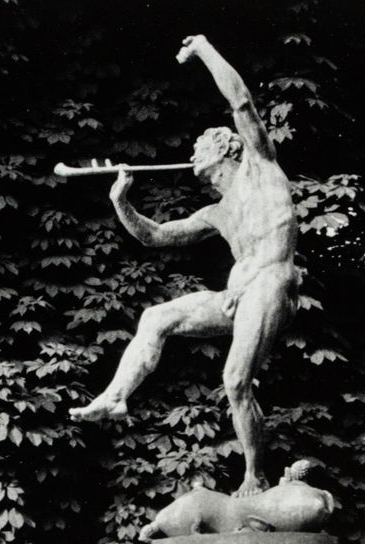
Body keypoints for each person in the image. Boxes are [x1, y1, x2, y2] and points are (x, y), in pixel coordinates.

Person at [70, 34, 298, 497]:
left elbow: (241, 102)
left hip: (273, 283)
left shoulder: (260, 165)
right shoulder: (215, 213)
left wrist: (205, 49)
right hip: (238, 295)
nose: (193, 154)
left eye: (200, 146)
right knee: (156, 316)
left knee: (235, 380)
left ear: (225, 150)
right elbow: (156, 236)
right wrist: (122, 203)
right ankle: (116, 395)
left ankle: (255, 476)